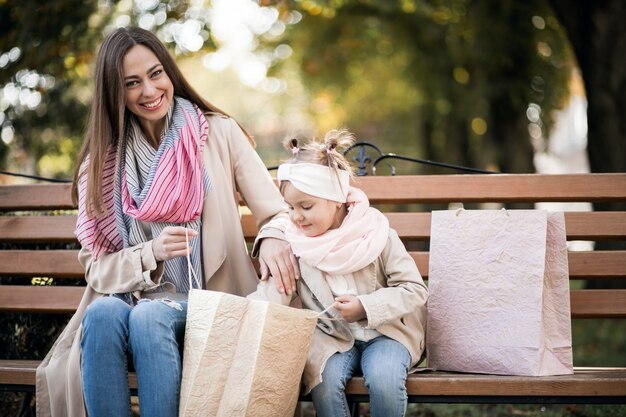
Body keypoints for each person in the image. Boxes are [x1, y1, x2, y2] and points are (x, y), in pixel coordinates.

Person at [35, 26, 299, 417]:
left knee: (149, 315)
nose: (149, 90)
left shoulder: (218, 133)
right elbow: (96, 267)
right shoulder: (103, 163)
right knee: (103, 313)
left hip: (210, 302)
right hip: (133, 298)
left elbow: (277, 212)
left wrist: (274, 236)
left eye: (156, 74)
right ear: (114, 92)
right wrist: (150, 253)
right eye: (132, 83)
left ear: (169, 73)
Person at [249, 130, 429, 417]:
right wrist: (244, 315)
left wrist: (366, 306)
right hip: (332, 337)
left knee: (384, 379)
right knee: (323, 379)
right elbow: (273, 294)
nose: (296, 217)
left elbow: (414, 290)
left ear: (336, 199)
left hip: (388, 332)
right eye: (290, 207)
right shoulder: (296, 242)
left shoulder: (377, 234)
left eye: (306, 206)